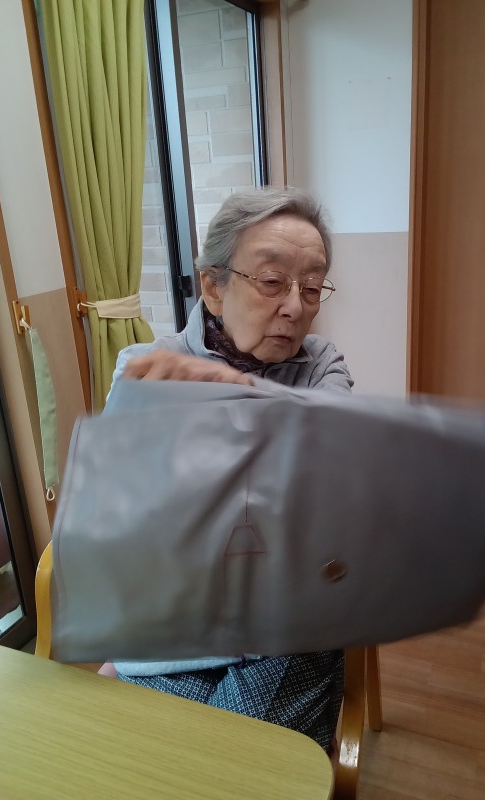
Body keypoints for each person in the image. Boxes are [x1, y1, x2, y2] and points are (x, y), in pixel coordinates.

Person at [108, 186, 353, 753]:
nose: (295, 306)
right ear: (213, 286)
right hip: (176, 629)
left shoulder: (321, 365)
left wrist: (232, 393)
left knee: (230, 752)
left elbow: (331, 472)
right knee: (197, 756)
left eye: (311, 287)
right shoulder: (146, 367)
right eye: (272, 281)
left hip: (284, 623)